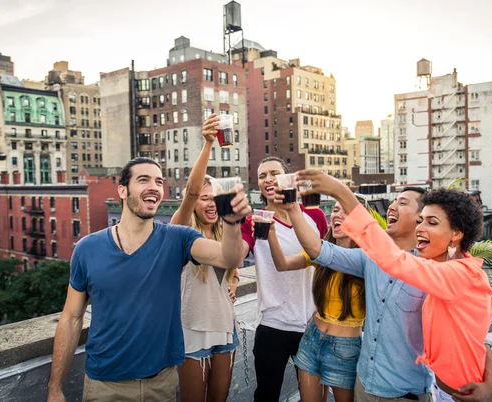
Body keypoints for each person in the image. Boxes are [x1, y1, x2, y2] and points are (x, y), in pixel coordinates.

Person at [46, 157, 251, 402]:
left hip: (161, 385)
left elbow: (229, 258)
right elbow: (71, 318)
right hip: (105, 385)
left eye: (159, 181)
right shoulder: (87, 249)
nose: (154, 186)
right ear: (122, 190)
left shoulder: (178, 238)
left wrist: (231, 220)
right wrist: (54, 387)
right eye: (143, 180)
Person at [295, 169, 492, 402]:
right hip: (369, 384)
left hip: (409, 393)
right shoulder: (433, 269)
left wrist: (340, 191)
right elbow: (322, 252)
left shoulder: (455, 274)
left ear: (456, 233)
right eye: (422, 220)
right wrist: (292, 209)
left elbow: (395, 260)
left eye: (431, 222)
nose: (422, 227)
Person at [240, 156, 328, 402]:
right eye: (262, 175)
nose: (268, 179)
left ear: (288, 179)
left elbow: (326, 261)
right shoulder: (253, 221)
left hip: (311, 324)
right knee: (267, 395)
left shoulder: (315, 216)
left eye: (274, 173)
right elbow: (235, 256)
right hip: (272, 325)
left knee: (313, 396)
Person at [261, 196, 365, 402]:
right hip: (311, 339)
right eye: (335, 210)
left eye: (346, 211)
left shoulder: (368, 260)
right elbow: (282, 264)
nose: (338, 214)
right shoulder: (322, 251)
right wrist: (271, 233)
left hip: (345, 348)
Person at [170, 114, 242, 402]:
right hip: (192, 331)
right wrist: (208, 144)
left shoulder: (227, 232)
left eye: (216, 198)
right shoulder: (183, 231)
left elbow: (233, 262)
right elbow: (191, 191)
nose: (210, 202)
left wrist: (234, 279)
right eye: (205, 198)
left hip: (226, 327)